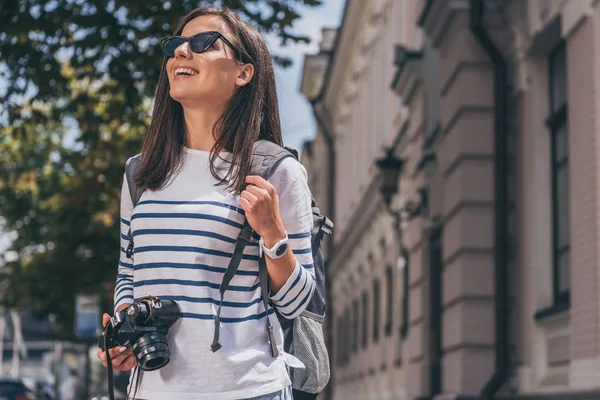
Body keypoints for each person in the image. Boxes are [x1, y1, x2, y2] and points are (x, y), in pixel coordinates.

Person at [96, 6, 316, 400]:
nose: (182, 52)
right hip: (150, 391)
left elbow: (299, 302)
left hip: (247, 389)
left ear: (243, 73)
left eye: (203, 44)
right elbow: (129, 269)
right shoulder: (140, 173)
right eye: (176, 44)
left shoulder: (275, 171)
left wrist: (273, 234)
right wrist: (124, 332)